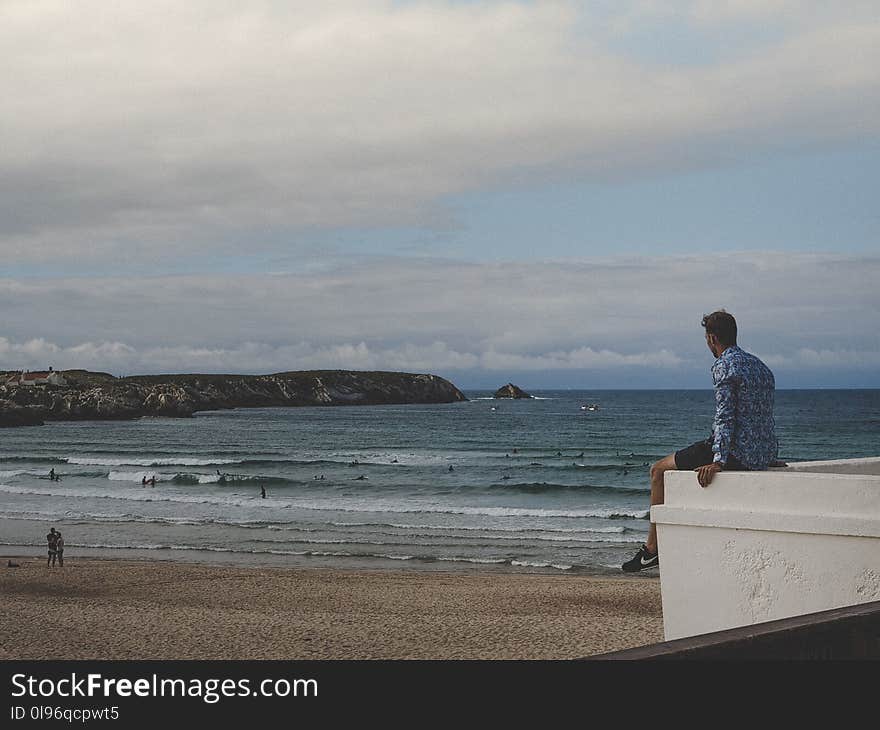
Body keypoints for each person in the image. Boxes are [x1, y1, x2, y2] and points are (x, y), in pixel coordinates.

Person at [623, 310, 777, 573]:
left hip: (733, 452)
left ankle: (651, 550)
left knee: (658, 470)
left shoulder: (724, 365)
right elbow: (764, 417)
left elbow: (725, 416)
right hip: (761, 454)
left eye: (707, 338)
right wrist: (767, 454)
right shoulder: (761, 367)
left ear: (712, 338)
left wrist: (718, 461)